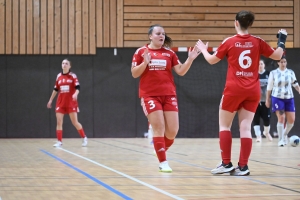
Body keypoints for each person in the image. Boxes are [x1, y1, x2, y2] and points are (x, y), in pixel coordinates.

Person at [196, 10, 286, 176]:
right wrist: (282, 39)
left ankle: (226, 164)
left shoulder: (229, 41)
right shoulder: (257, 41)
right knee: (245, 128)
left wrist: (203, 49)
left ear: (236, 22)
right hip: (252, 90)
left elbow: (211, 60)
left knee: (225, 126)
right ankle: (243, 167)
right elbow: (278, 55)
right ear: (250, 24)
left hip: (233, 89)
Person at [131, 24, 201, 172]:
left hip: (169, 95)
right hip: (150, 95)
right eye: (158, 33)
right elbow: (134, 73)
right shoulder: (141, 52)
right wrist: (145, 63)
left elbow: (180, 71)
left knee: (172, 131)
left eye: (163, 34)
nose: (161, 36)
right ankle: (163, 163)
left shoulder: (169, 53)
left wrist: (190, 59)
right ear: (150, 36)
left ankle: (160, 149)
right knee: (159, 127)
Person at [47, 59, 88, 147]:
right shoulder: (58, 76)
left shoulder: (73, 76)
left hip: (71, 102)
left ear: (70, 66)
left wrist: (76, 94)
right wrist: (50, 100)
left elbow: (78, 87)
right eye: (63, 63)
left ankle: (84, 137)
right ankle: (59, 142)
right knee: (59, 122)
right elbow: (55, 89)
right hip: (60, 102)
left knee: (75, 122)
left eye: (66, 63)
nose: (64, 65)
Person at [266, 55, 300, 147]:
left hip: (289, 98)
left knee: (291, 121)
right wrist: (267, 99)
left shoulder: (290, 72)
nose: (283, 64)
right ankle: (280, 140)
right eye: (281, 62)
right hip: (277, 97)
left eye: (285, 62)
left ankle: (284, 135)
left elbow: (295, 84)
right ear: (278, 63)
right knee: (281, 117)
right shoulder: (273, 73)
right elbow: (269, 87)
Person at [253, 59, 273, 142]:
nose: (260, 65)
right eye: (258, 64)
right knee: (256, 119)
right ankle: (258, 136)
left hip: (266, 100)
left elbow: (272, 86)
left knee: (266, 119)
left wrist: (269, 98)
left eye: (261, 64)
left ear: (264, 65)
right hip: (255, 101)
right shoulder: (253, 74)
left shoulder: (269, 74)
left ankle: (266, 132)